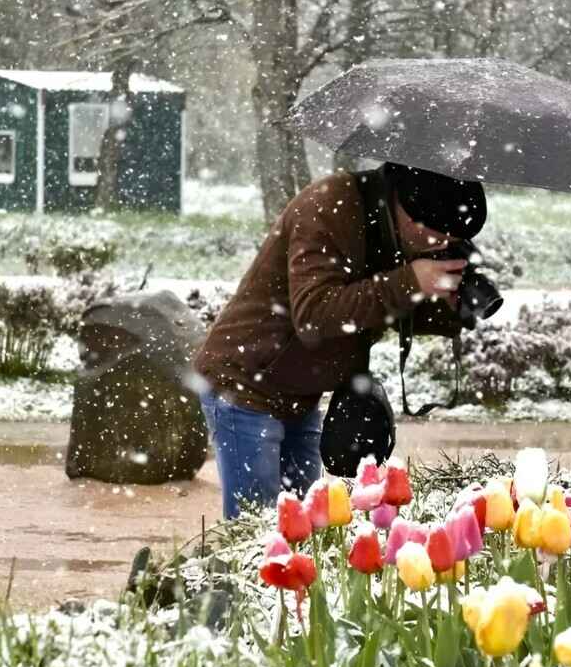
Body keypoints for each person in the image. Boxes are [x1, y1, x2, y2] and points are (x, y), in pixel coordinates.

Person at [192, 163, 487, 518]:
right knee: (258, 531)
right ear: (405, 206)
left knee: (307, 527)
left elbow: (378, 309)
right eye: (435, 234)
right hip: (245, 380)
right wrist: (410, 281)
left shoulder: (395, 227)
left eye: (449, 240)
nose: (438, 244)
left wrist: (448, 305)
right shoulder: (328, 207)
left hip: (300, 388)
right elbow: (315, 315)